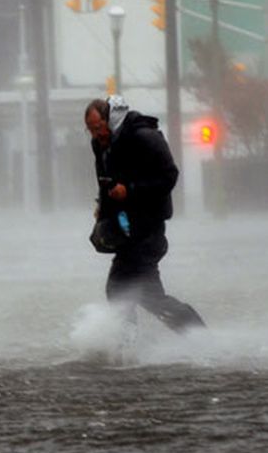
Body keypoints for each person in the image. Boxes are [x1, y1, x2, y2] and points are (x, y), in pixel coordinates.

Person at [84, 95, 206, 333]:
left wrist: (130, 190)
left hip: (148, 230)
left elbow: (169, 176)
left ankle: (128, 345)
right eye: (90, 130)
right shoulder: (100, 145)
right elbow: (106, 181)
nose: (95, 134)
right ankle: (194, 336)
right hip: (127, 230)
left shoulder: (144, 137)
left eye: (98, 128)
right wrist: (103, 209)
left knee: (122, 289)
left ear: (111, 120)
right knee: (143, 295)